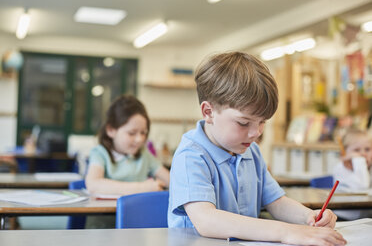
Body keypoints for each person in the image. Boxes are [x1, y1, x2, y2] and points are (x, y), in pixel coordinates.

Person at [168, 52, 346, 246]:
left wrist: (309, 217)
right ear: (209, 112)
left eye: (262, 122)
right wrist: (285, 231)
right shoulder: (191, 156)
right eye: (244, 123)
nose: (256, 133)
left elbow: (276, 202)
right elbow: (206, 221)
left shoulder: (250, 151)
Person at [85, 94, 170, 228]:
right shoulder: (100, 153)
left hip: (136, 225)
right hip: (103, 228)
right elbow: (93, 184)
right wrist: (143, 188)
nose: (139, 139)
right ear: (111, 130)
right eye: (132, 133)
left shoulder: (144, 154)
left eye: (143, 133)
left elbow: (170, 180)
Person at [333, 128, 372, 220]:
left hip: (365, 218)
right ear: (344, 153)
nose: (363, 154)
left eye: (367, 149)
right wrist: (359, 161)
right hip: (343, 217)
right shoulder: (340, 168)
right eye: (356, 150)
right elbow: (362, 186)